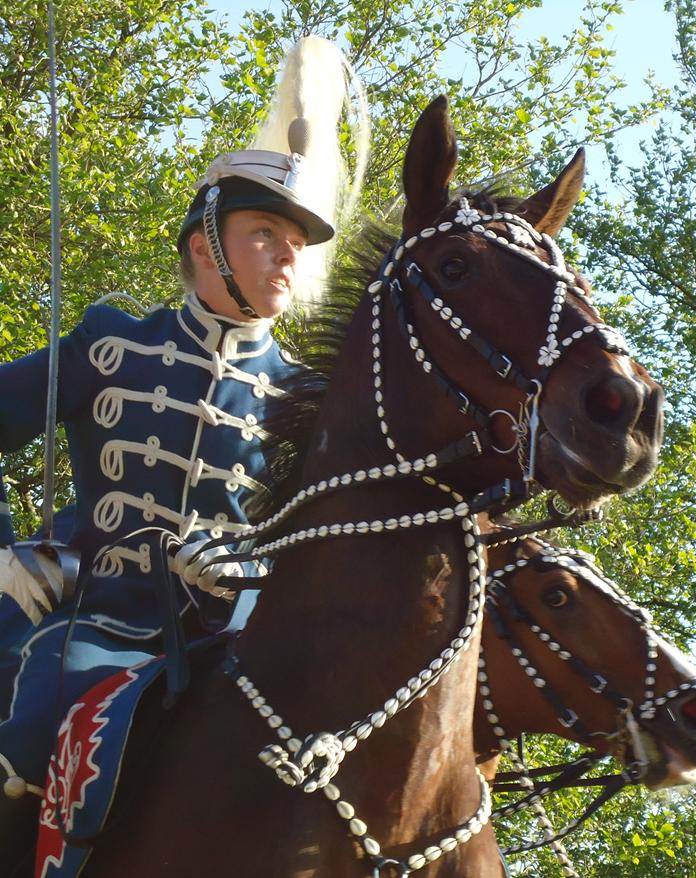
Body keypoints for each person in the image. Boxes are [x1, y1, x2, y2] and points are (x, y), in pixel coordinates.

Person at [0, 37, 366, 874]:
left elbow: (325, 541)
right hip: (99, 618)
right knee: (29, 736)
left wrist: (252, 569)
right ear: (206, 245)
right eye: (265, 232)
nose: (288, 254)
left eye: (296, 241)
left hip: (236, 640)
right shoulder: (110, 347)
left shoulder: (307, 400)